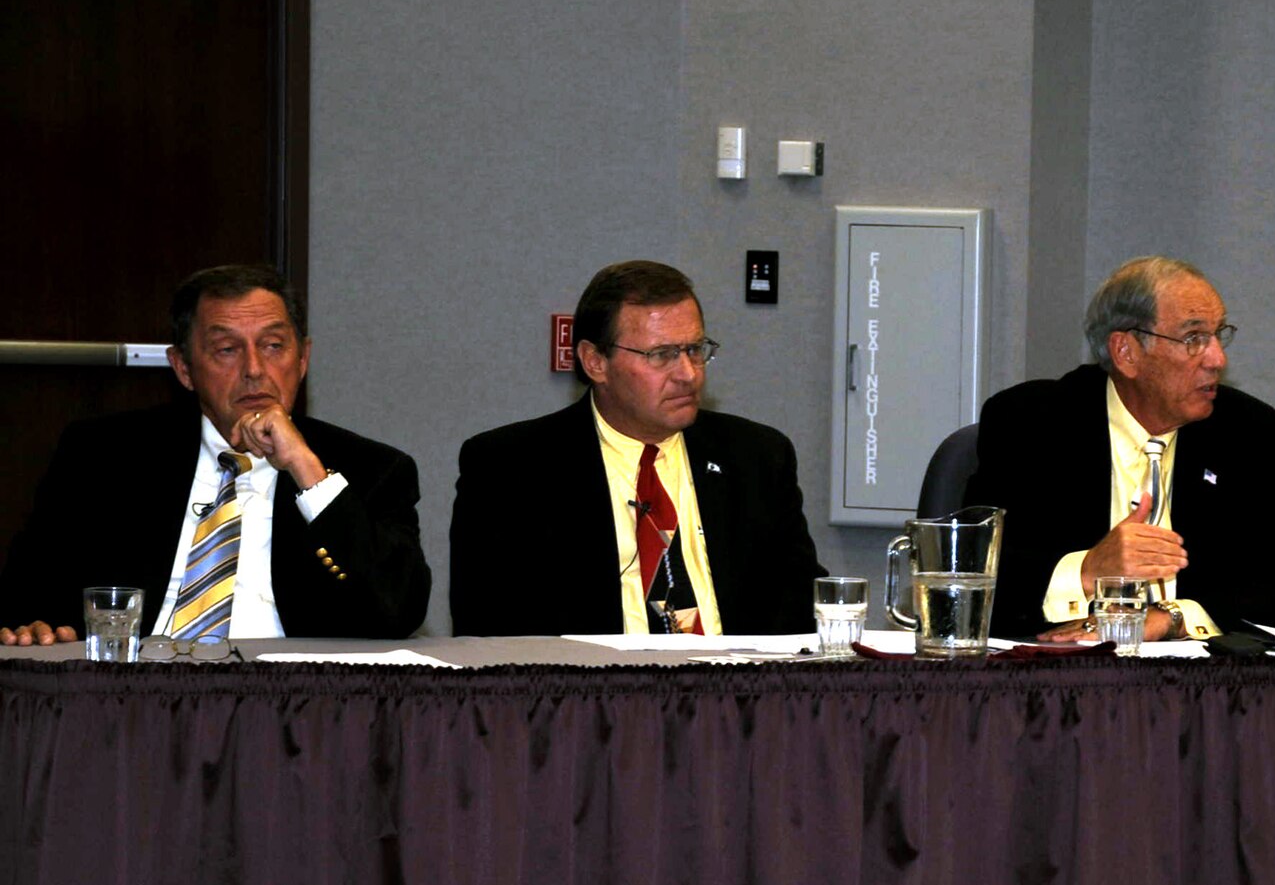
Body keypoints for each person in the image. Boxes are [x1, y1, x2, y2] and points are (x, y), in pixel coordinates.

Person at [0, 264, 432, 644]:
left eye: (274, 346)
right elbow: (25, 592)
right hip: (137, 693)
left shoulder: (373, 469)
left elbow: (397, 610)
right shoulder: (103, 455)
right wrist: (31, 623)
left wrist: (307, 472)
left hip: (296, 702)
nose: (254, 369)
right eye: (227, 349)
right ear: (184, 368)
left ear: (303, 360)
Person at [450, 260, 824, 636]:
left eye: (695, 349)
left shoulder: (756, 458)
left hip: (737, 688)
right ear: (595, 362)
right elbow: (488, 624)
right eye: (661, 355)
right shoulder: (510, 468)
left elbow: (802, 610)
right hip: (589, 689)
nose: (688, 373)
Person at [964, 255, 1275, 641]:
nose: (1217, 359)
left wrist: (1173, 617)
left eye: (1219, 334)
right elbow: (970, 575)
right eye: (1193, 339)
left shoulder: (1247, 431)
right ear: (1126, 352)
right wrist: (1086, 571)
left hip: (1202, 682)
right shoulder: (1033, 422)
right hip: (1058, 677)